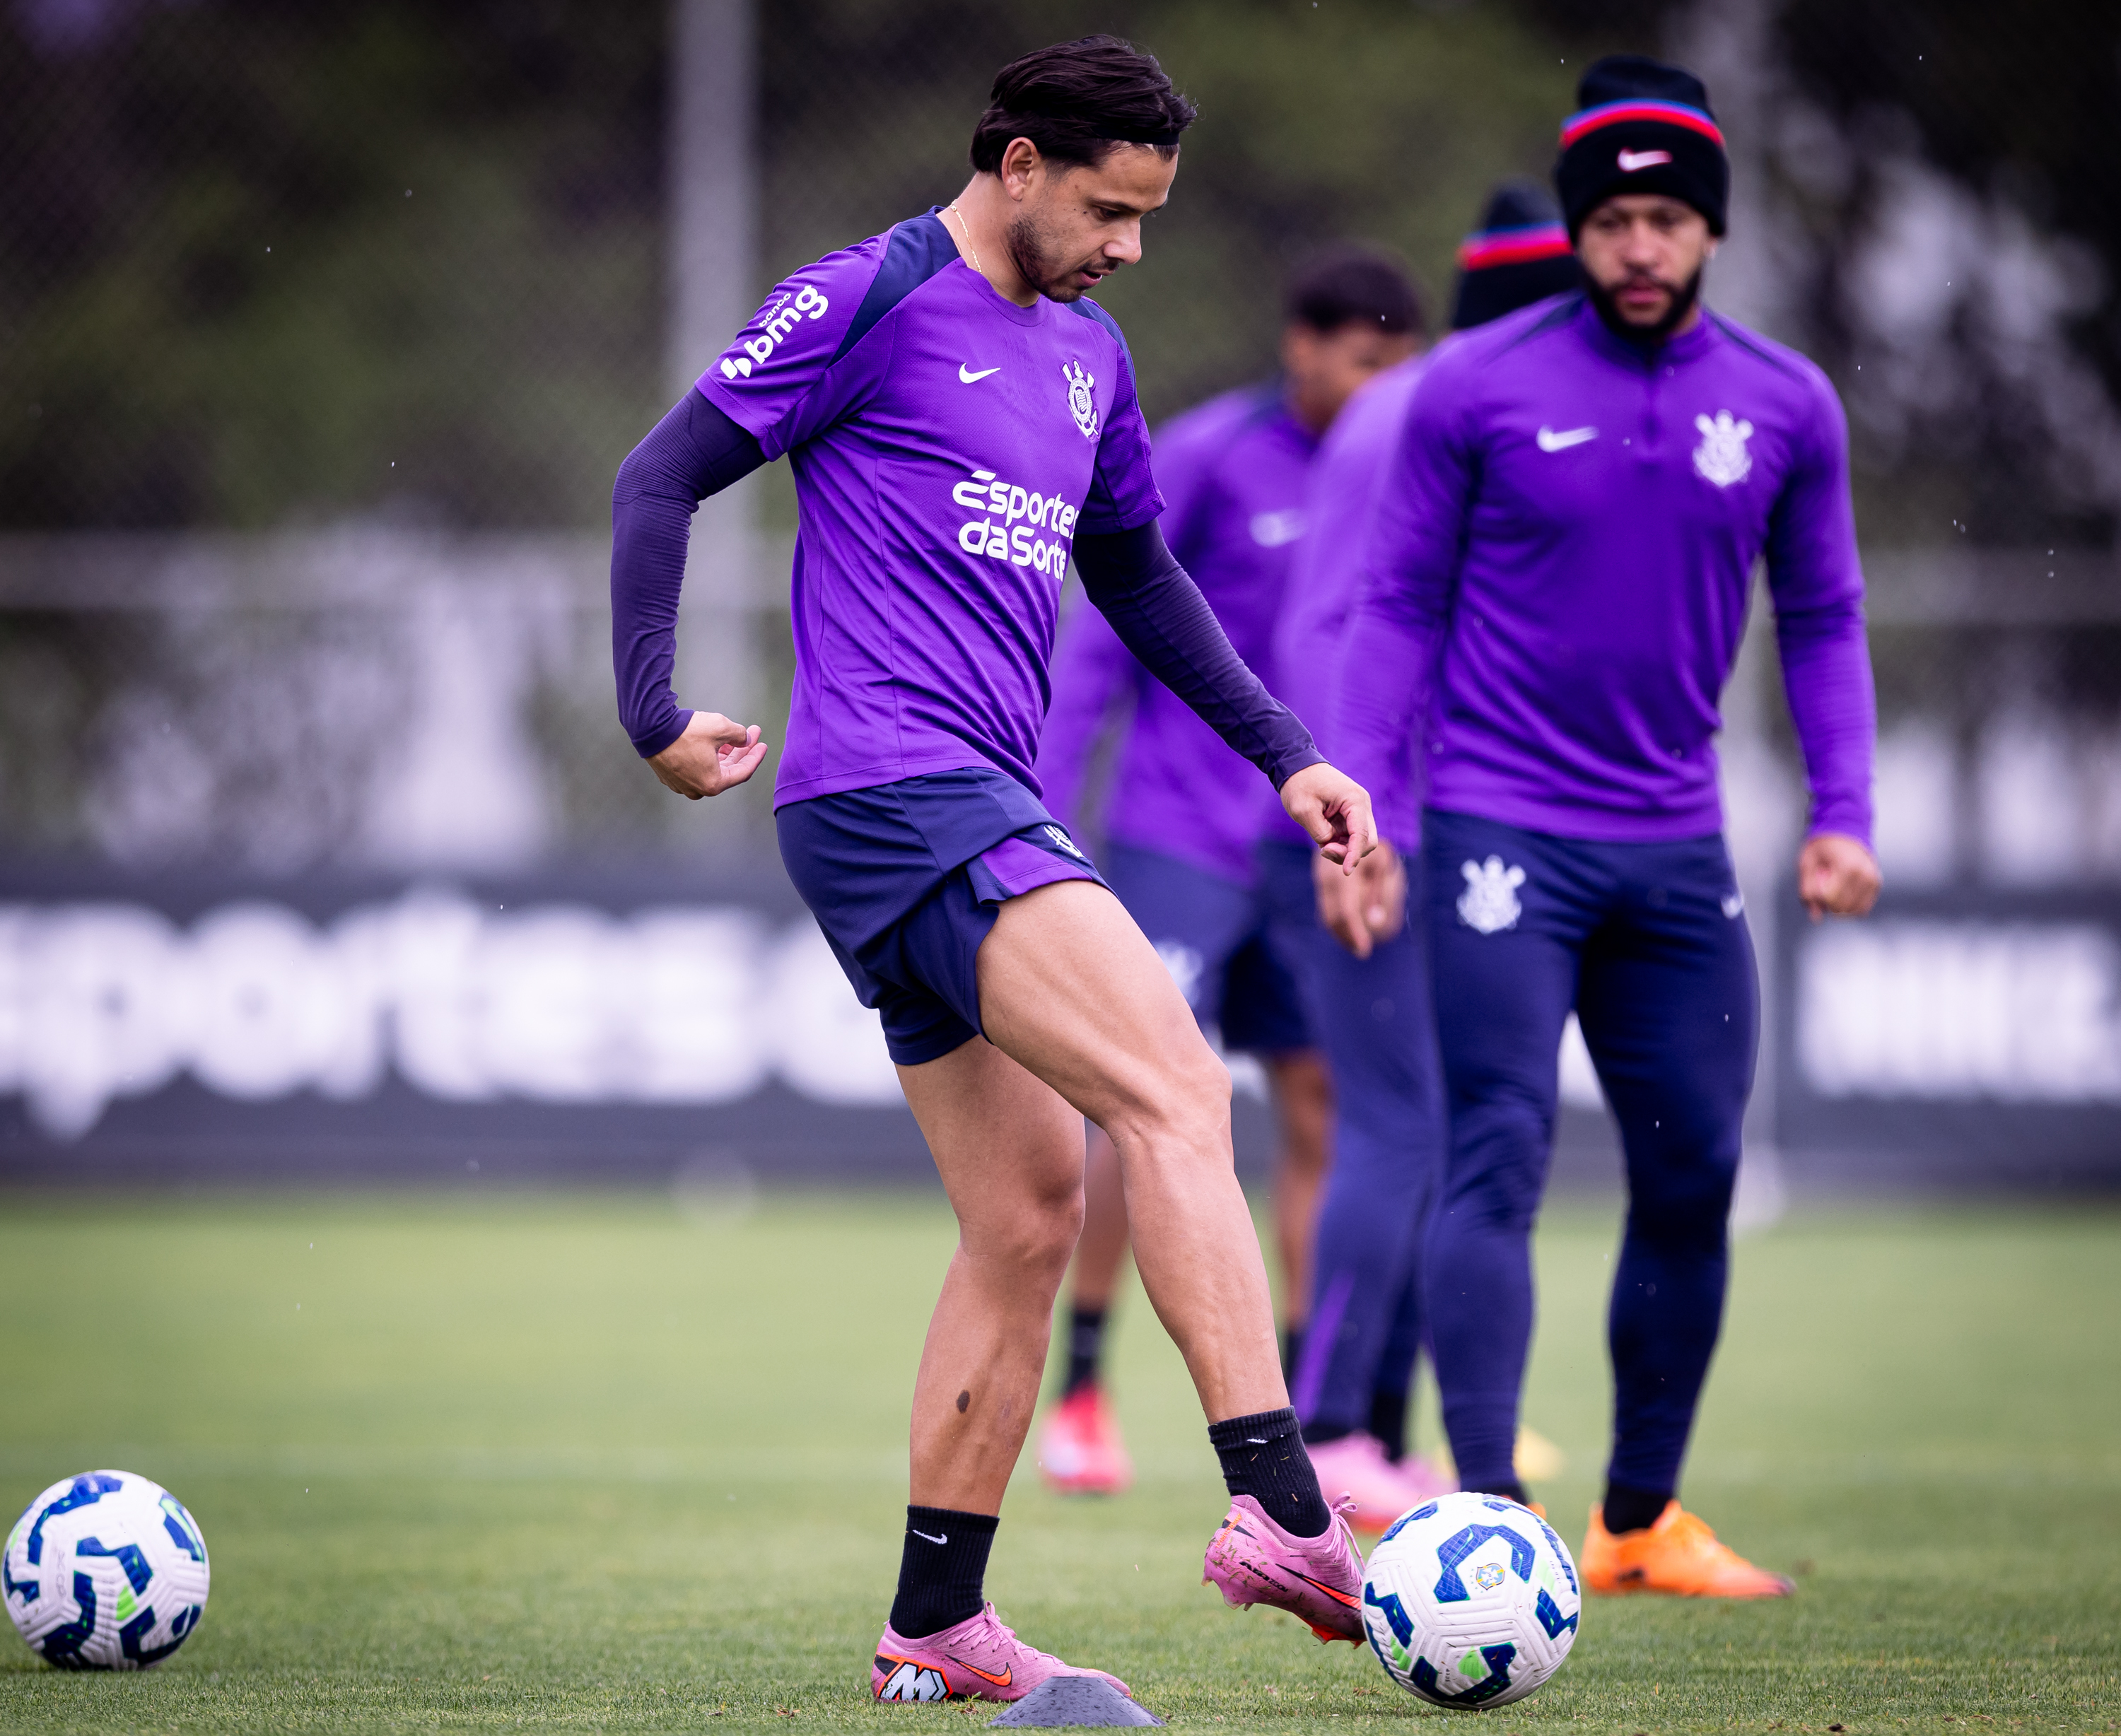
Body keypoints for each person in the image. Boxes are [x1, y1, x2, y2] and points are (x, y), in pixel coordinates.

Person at [608, 37, 1380, 1705]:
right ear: (1017, 162)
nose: (1131, 245)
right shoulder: (867, 295)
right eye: (1110, 207)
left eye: (1153, 216)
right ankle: (1285, 1503)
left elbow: (1142, 579)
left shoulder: (1092, 355)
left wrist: (1290, 751)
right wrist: (655, 709)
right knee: (1180, 1087)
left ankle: (937, 1621)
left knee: (1029, 1214)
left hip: (946, 804)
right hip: (900, 789)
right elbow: (659, 473)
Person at [1330, 55, 1881, 1597]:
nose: (1642, 244)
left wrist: (1842, 810)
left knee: (1695, 1168)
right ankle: (1492, 1520)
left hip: (1678, 847)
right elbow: (1397, 606)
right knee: (1494, 1152)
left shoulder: (1785, 401)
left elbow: (1827, 614)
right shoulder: (1475, 386)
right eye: (1616, 217)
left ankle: (1638, 1519)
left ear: (1709, 228)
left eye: (1669, 217)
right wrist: (1362, 810)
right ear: (1579, 227)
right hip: (1504, 831)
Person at [1032, 247, 1420, 1503]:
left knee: (1320, 1111)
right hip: (1178, 838)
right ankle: (1084, 1393)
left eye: (1396, 369)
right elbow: (1105, 631)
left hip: (1309, 851)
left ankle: (1319, 1418)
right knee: (1133, 1106)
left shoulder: (1400, 470)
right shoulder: (1205, 454)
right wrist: (1043, 811)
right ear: (1301, 346)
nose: (1379, 391)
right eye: (1362, 362)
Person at [1264, 182, 1582, 1529]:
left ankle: (1374, 1432)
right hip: (1398, 814)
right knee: (1400, 1122)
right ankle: (1332, 1426)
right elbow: (1355, 628)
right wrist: (1369, 818)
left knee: (1420, 1123)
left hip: (1386, 804)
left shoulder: (1400, 405)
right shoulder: (1466, 407)